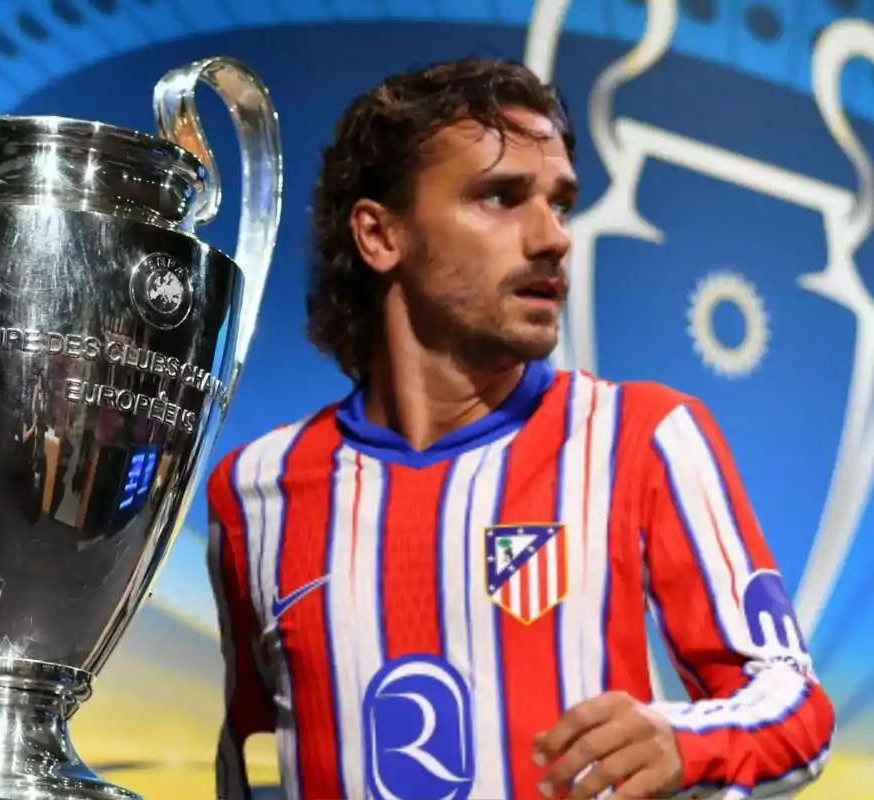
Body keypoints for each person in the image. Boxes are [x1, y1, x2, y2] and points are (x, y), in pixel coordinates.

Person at [205, 58, 834, 800]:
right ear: (380, 235)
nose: (553, 239)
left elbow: (793, 702)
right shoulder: (253, 491)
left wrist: (682, 741)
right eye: (500, 197)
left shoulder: (642, 437)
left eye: (561, 203)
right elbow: (250, 760)